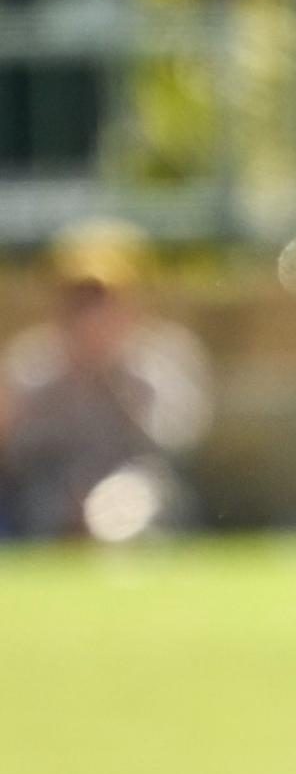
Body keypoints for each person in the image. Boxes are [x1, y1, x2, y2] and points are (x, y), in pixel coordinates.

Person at [1, 217, 212, 540]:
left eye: (100, 298)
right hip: (49, 494)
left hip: (137, 488)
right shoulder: (31, 366)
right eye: (78, 299)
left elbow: (176, 445)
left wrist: (116, 378)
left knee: (125, 504)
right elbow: (18, 454)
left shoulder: (162, 360)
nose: (88, 312)